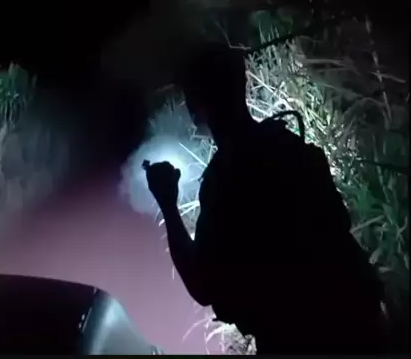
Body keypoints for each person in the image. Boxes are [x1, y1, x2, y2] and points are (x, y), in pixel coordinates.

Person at [144, 42, 385, 354]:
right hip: (357, 321)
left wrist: (167, 203)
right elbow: (339, 220)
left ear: (196, 106)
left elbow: (203, 285)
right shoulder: (290, 146)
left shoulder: (225, 180)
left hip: (295, 338)